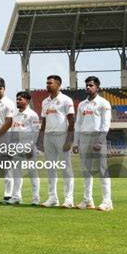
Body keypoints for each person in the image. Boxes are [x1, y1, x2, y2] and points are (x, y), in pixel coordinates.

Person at [73, 76, 113, 211]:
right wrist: (75, 142)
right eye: (87, 85)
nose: (88, 87)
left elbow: (105, 124)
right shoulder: (81, 104)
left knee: (102, 170)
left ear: (97, 87)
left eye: (91, 85)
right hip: (84, 138)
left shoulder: (104, 103)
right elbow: (78, 124)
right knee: (86, 171)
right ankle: (87, 200)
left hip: (97, 137)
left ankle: (107, 201)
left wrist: (100, 141)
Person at [38, 75, 75, 208]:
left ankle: (68, 199)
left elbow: (71, 120)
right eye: (47, 83)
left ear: (58, 84)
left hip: (62, 136)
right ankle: (52, 197)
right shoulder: (45, 102)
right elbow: (44, 121)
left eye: (50, 83)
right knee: (50, 168)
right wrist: (40, 140)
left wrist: (69, 140)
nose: (47, 85)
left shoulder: (66, 100)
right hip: (48, 136)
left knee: (66, 168)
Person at [7, 91, 40, 205]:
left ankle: (36, 198)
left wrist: (31, 147)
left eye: (20, 99)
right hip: (16, 147)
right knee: (17, 173)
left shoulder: (32, 115)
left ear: (27, 100)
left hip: (28, 147)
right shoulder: (15, 115)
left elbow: (36, 132)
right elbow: (13, 132)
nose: (17, 101)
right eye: (17, 99)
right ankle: (16, 197)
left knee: (32, 173)